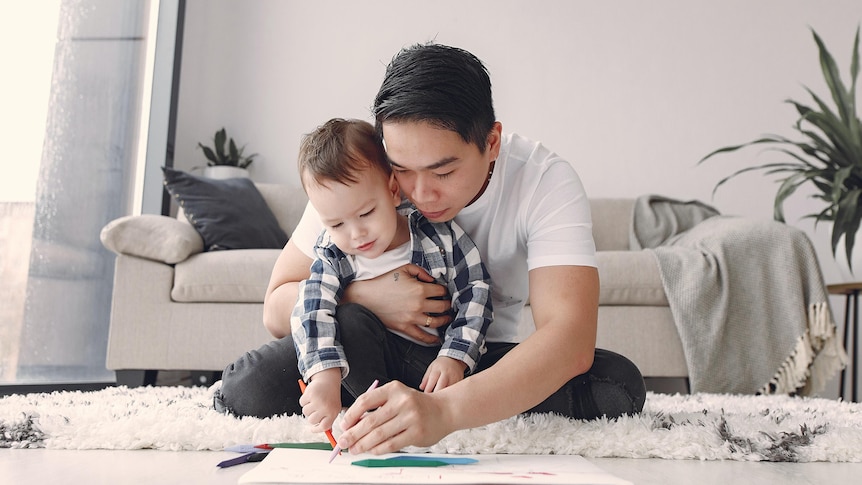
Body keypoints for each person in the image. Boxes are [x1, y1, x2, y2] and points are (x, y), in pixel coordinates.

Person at [215, 42, 646, 453]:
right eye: (402, 170)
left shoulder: (544, 182)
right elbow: (276, 311)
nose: (419, 193)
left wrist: (444, 412)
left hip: (464, 360)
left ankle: (406, 406)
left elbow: (569, 339)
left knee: (617, 386)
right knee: (247, 388)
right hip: (361, 343)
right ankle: (377, 401)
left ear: (491, 142)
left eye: (443, 172)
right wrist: (368, 296)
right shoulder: (360, 175)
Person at [290, 118, 492, 432]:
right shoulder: (334, 253)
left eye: (366, 213)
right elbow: (312, 307)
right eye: (336, 224)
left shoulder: (437, 237)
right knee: (347, 322)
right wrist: (324, 376)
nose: (356, 234)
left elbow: (475, 292)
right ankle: (363, 401)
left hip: (427, 365)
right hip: (359, 362)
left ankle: (387, 411)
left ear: (393, 190)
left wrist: (455, 357)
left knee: (350, 321)